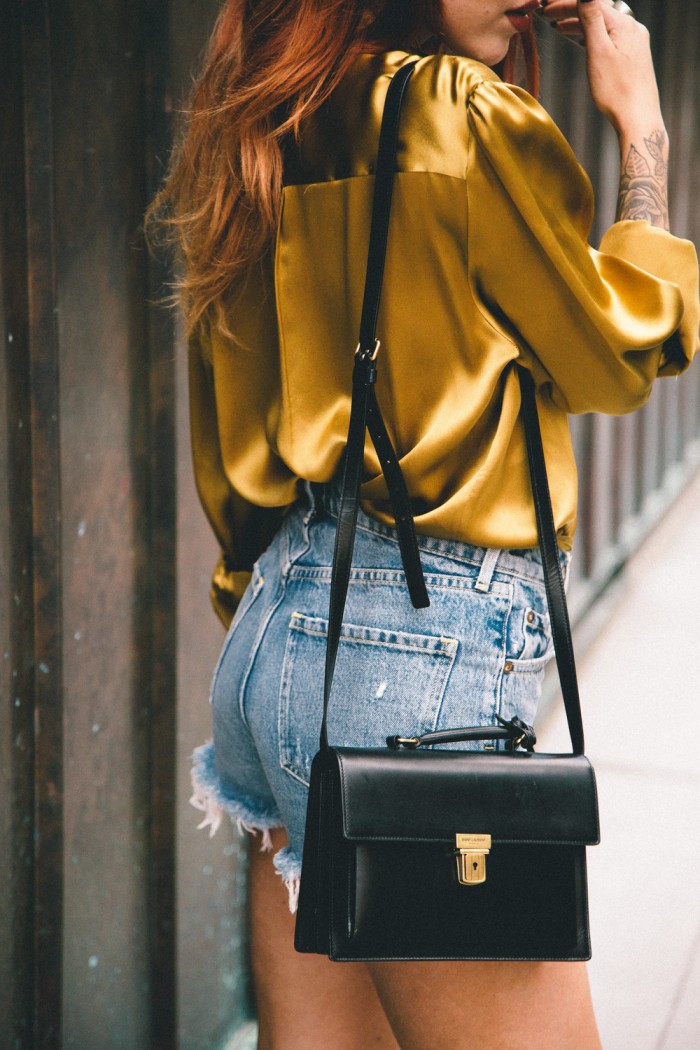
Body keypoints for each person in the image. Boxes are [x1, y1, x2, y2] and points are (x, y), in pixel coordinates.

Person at [152, 0, 699, 1046]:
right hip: (416, 663)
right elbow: (620, 350)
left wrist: (278, 616)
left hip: (274, 635)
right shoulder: (459, 111)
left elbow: (230, 400)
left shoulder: (275, 110)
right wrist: (643, 141)